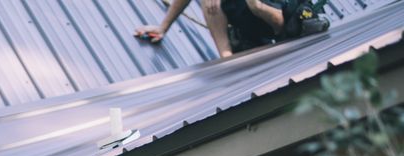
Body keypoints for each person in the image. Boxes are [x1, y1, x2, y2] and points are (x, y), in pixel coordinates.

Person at [135, 1, 327, 58]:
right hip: (253, 26)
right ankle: (227, 57)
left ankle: (286, 31)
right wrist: (162, 28)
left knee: (255, 4)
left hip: (284, 14)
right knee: (210, 3)